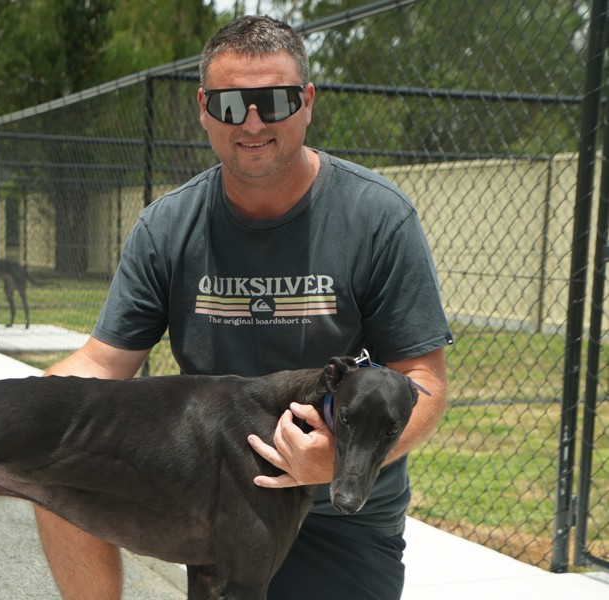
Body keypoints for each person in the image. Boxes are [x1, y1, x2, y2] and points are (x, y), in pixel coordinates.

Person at [35, 14, 452, 600]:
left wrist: (332, 460)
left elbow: (423, 380)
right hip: (210, 499)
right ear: (204, 110)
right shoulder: (168, 226)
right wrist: (32, 406)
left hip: (337, 511)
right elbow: (103, 363)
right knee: (50, 442)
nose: (253, 123)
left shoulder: (377, 217)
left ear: (307, 102)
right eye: (231, 105)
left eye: (275, 102)